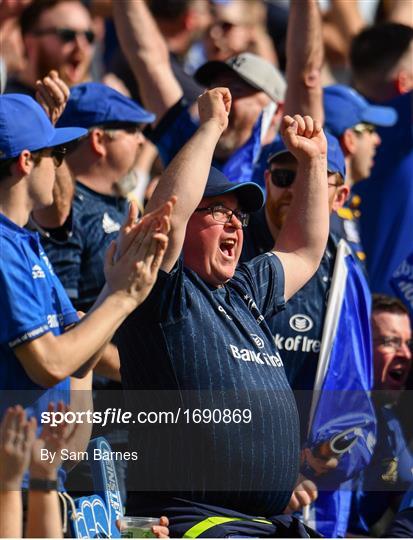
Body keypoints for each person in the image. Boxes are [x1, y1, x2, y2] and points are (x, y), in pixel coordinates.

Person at [115, 85, 329, 537]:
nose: (235, 223)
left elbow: (305, 251)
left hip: (270, 524)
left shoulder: (244, 290)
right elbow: (165, 220)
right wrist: (211, 126)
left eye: (239, 215)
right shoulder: (164, 293)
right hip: (196, 519)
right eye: (216, 211)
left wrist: (312, 163)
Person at [0, 92, 173, 485]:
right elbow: (51, 363)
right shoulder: (3, 247)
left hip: (41, 477)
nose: (62, 169)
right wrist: (121, 295)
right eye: (56, 156)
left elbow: (78, 353)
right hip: (11, 485)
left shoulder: (24, 242)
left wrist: (119, 286)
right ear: (26, 162)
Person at [113, 0, 285, 185]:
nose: (220, 97)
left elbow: (307, 77)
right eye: (215, 86)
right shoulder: (186, 146)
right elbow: (149, 60)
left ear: (276, 112)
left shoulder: (284, 170)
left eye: (236, 90)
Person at [349, 23, 413, 294]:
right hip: (397, 314)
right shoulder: (401, 122)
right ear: (404, 83)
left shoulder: (329, 120)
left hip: (347, 311)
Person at [348, 294, 413, 536]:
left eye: (408, 343)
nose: (406, 354)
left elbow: (405, 493)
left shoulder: (390, 423)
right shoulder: (317, 412)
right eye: (390, 342)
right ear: (358, 345)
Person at [323, 84, 397, 262]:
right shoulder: (322, 214)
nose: (377, 140)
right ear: (349, 140)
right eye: (370, 130)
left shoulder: (343, 206)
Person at [5, 0, 95, 96]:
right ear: (29, 42)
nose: (81, 46)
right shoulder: (6, 103)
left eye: (89, 36)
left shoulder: (96, 104)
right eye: (68, 35)